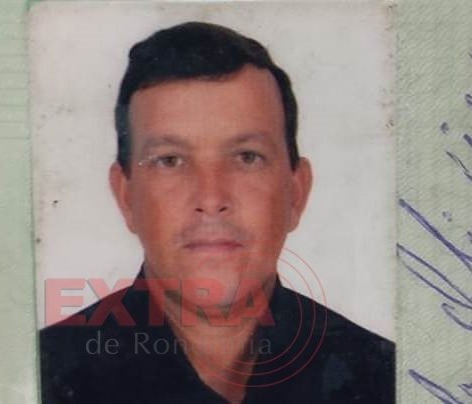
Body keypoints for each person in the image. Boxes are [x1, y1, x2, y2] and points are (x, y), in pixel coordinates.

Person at [40, 21, 395, 404]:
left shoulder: (385, 379)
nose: (211, 198)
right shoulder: (40, 377)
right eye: (170, 160)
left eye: (246, 157)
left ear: (296, 192)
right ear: (127, 197)